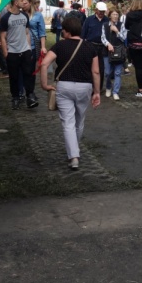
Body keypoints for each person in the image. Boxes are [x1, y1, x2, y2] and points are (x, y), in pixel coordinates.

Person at [40, 16, 101, 170]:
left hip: (64, 86)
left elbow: (45, 63)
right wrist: (97, 92)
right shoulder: (89, 47)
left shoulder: (60, 46)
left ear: (66, 32)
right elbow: (96, 71)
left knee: (68, 122)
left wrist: (44, 84)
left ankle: (74, 157)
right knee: (79, 121)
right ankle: (75, 148)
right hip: (84, 87)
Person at [0, 0, 38, 109]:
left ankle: (30, 96)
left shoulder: (24, 16)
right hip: (12, 52)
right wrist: (6, 53)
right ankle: (15, 97)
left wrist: (28, 47)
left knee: (28, 74)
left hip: (25, 50)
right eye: (22, 0)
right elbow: (2, 36)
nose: (24, 2)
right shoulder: (6, 18)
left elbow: (27, 32)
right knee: (14, 76)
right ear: (16, 3)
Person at [123, 0, 142, 98]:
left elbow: (126, 26)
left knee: (138, 67)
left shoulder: (129, 14)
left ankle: (141, 89)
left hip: (134, 42)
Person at [81, 1, 109, 93]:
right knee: (89, 67)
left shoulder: (107, 20)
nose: (101, 13)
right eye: (100, 11)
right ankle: (90, 87)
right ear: (96, 10)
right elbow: (83, 34)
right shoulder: (89, 20)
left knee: (101, 68)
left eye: (103, 11)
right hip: (91, 45)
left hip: (102, 47)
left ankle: (98, 88)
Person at [103, 9, 126, 101]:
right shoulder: (105, 25)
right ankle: (108, 87)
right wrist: (108, 44)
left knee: (117, 72)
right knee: (108, 72)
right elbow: (103, 37)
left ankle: (115, 91)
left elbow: (124, 38)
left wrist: (117, 31)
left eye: (117, 14)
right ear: (110, 16)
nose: (115, 16)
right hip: (107, 52)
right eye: (113, 14)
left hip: (119, 51)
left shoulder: (121, 25)